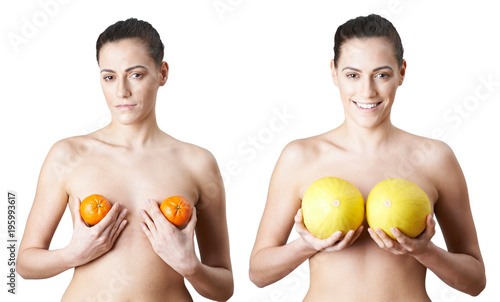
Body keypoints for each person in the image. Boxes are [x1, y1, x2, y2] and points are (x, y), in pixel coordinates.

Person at [249, 14, 486, 301]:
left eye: (382, 74)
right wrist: (307, 245)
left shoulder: (435, 158)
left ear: (401, 72)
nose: (367, 91)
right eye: (353, 75)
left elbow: (475, 281)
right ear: (334, 72)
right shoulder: (300, 157)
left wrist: (425, 250)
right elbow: (259, 273)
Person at [17, 18, 233, 301]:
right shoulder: (68, 155)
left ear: (162, 73)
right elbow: (24, 264)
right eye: (109, 77)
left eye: (136, 75)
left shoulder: (198, 162)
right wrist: (73, 254)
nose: (121, 91)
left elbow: (224, 287)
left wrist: (190, 266)